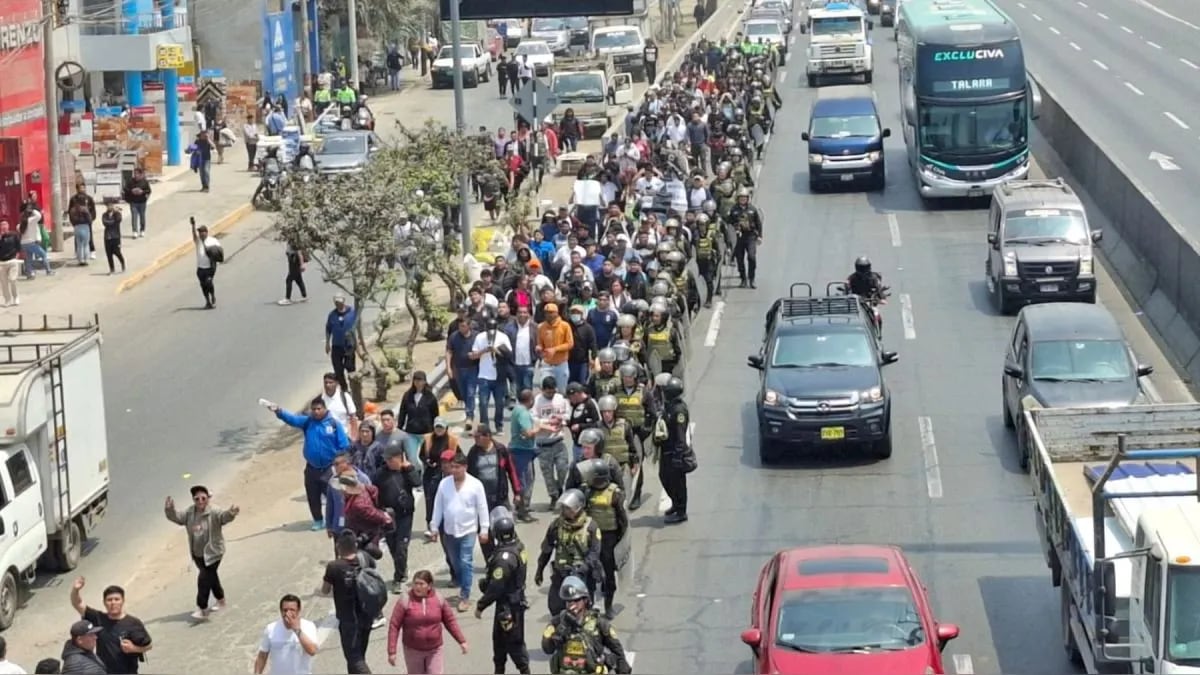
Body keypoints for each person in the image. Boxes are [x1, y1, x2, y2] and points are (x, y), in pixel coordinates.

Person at [269, 398, 351, 530]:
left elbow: (344, 445)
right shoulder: (307, 422)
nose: (316, 412)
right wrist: (279, 411)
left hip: (329, 468)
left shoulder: (334, 424)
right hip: (311, 468)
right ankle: (318, 520)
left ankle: (340, 519)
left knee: (334, 496)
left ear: (325, 409)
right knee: (313, 496)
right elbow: (292, 419)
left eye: (319, 409)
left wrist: (340, 463)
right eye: (314, 409)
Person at [163, 486, 239, 620]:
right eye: (196, 499)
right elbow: (178, 518)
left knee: (204, 578)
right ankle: (221, 600)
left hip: (213, 552)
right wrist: (170, 509)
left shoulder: (214, 511)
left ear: (208, 498)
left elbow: (223, 517)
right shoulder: (190, 512)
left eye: (203, 498)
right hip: (197, 553)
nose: (200, 501)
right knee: (211, 577)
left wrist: (231, 513)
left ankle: (202, 608)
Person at [429, 450, 491, 612]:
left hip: (468, 530)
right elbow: (438, 506)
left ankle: (465, 594)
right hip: (449, 531)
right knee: (456, 563)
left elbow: (482, 508)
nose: (454, 470)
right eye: (452, 467)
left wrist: (484, 529)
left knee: (465, 562)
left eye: (457, 467)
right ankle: (463, 581)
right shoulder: (444, 484)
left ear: (465, 467)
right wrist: (434, 526)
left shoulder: (475, 485)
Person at [475, 506, 531, 674]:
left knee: (514, 643)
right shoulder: (518, 546)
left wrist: (481, 605)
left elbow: (495, 587)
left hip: (508, 606)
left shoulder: (504, 559)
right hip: (512, 601)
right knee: (499, 643)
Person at [540, 576, 632, 674]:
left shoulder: (599, 623)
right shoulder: (558, 622)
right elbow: (548, 649)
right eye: (569, 601)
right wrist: (552, 635)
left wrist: (617, 666)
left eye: (576, 600)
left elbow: (618, 654)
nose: (572, 604)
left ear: (585, 600)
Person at [386, 570, 468, 675]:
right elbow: (394, 625)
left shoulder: (438, 599)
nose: (417, 587)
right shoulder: (405, 600)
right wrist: (391, 651)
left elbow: (450, 621)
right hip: (413, 650)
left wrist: (461, 641)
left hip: (435, 649)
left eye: (421, 584)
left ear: (429, 586)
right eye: (415, 583)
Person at [534, 490, 601, 616]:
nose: (565, 511)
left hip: (582, 577)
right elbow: (547, 548)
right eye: (564, 508)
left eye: (569, 508)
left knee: (583, 611)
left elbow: (594, 552)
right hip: (560, 574)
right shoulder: (556, 525)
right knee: (555, 607)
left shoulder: (591, 526)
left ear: (579, 508)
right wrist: (540, 569)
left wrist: (582, 568)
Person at [320, 531, 378, 674]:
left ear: (338, 547)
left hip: (348, 620)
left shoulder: (334, 566)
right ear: (355, 545)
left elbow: (325, 590)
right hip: (366, 616)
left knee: (354, 658)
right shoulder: (365, 557)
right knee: (359, 656)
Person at [576, 458, 627, 619]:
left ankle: (608, 605)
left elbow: (622, 519)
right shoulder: (587, 491)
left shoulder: (615, 493)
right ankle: (589, 605)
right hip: (591, 536)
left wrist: (620, 540)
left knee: (609, 573)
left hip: (609, 537)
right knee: (590, 571)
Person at [68, 579, 152, 673]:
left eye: (117, 599)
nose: (113, 603)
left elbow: (149, 645)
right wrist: (75, 590)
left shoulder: (133, 623)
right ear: (104, 602)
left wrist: (134, 648)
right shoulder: (98, 618)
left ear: (122, 601)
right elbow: (78, 604)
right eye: (109, 600)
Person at [372, 443, 421, 591]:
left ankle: (398, 577)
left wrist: (408, 468)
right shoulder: (380, 473)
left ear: (399, 458)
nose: (388, 462)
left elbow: (417, 482)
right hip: (388, 516)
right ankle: (402, 568)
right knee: (393, 546)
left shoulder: (406, 470)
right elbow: (374, 492)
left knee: (401, 547)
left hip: (405, 515)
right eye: (386, 459)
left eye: (391, 459)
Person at [654, 376, 695, 524]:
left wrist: (678, 456)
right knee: (664, 477)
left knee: (678, 483)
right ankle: (675, 504)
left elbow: (680, 435)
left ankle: (681, 511)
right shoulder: (670, 406)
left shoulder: (679, 411)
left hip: (675, 452)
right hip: (666, 450)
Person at [253, 594, 319, 675]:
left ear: (298, 611)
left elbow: (312, 651)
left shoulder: (308, 626)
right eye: (285, 610)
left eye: (292, 610)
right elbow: (262, 656)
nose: (288, 613)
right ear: (281, 611)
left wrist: (297, 630)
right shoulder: (271, 628)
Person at [532, 377, 572, 506]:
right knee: (548, 475)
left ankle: (560, 488)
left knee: (563, 470)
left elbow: (568, 415)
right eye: (547, 392)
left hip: (558, 442)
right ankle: (554, 495)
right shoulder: (537, 401)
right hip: (543, 444)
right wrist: (549, 422)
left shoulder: (561, 399)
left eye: (552, 392)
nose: (550, 395)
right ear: (542, 390)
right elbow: (534, 419)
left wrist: (561, 420)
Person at [395, 370, 439, 473]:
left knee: (425, 458)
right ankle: (417, 478)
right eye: (416, 380)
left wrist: (435, 431)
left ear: (424, 381)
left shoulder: (430, 397)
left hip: (426, 433)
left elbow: (435, 415)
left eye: (420, 380)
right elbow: (402, 413)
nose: (418, 383)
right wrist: (399, 428)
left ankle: (424, 478)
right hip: (411, 433)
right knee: (413, 458)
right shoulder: (407, 396)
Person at [326, 295, 359, 390]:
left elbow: (357, 327)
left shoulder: (352, 312)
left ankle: (354, 388)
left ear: (344, 301)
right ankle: (344, 389)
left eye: (340, 302)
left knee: (350, 368)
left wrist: (358, 345)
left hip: (349, 345)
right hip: (336, 346)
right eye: (336, 303)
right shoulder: (332, 315)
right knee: (338, 370)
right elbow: (328, 329)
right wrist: (327, 343)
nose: (338, 304)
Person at [191, 218, 221, 309]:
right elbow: (193, 235)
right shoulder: (198, 241)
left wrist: (214, 257)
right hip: (200, 268)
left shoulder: (213, 240)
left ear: (206, 232)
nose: (200, 234)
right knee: (203, 286)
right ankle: (207, 301)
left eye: (202, 232)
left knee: (208, 282)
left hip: (210, 267)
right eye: (199, 232)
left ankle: (212, 295)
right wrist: (193, 225)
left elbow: (219, 251)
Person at [100, 201, 125, 275]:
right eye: (108, 206)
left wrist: (115, 214)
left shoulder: (117, 214)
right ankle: (112, 269)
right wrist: (112, 222)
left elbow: (118, 220)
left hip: (115, 236)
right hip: (107, 237)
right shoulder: (104, 215)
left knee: (117, 252)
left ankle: (122, 262)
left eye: (111, 206)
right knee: (109, 254)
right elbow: (105, 222)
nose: (109, 207)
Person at [0, 221, 21, 307]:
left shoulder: (14, 235)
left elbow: (18, 246)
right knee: (4, 283)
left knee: (13, 280)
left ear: (8, 226)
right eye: (2, 225)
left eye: (5, 224)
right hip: (1, 262)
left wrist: (16, 256)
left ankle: (16, 297)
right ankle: (7, 300)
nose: (4, 226)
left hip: (12, 260)